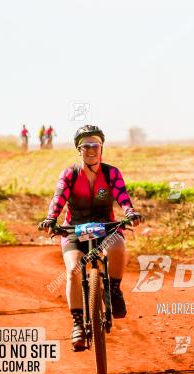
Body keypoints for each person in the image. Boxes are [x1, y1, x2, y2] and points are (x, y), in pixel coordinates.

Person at [38, 125, 143, 351]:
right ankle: (77, 323)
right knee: (73, 270)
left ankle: (113, 290)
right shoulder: (70, 174)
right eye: (86, 146)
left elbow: (123, 197)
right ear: (79, 150)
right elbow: (58, 198)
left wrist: (131, 213)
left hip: (107, 227)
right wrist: (50, 218)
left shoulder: (111, 173)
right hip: (73, 229)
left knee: (117, 248)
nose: (91, 150)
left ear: (102, 147)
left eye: (95, 145)